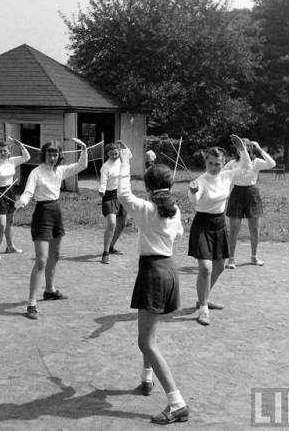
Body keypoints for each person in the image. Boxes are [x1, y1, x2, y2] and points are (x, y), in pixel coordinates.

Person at [117, 145, 189, 425]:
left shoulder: (147, 209)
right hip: (170, 270)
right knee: (149, 336)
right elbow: (179, 233)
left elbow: (123, 194)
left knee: (145, 341)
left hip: (154, 273)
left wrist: (125, 161)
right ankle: (147, 379)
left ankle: (177, 402)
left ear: (148, 187)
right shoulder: (175, 210)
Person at [15, 138, 87, 320]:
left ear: (59, 156)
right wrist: (22, 201)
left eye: (55, 154)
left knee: (55, 256)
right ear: (44, 155)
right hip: (42, 214)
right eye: (50, 154)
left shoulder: (60, 170)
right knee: (41, 260)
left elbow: (81, 165)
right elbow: (29, 191)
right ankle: (31, 302)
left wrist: (84, 149)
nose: (53, 157)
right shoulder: (36, 172)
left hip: (57, 212)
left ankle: (49, 290)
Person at [188, 135, 252, 326]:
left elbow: (246, 168)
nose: (214, 167)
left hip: (218, 224)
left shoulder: (227, 175)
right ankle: (203, 311)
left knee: (219, 266)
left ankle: (203, 299)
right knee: (205, 268)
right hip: (202, 225)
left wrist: (242, 149)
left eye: (218, 163)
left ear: (224, 163)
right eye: (210, 163)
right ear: (205, 162)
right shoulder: (199, 181)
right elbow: (196, 201)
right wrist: (192, 192)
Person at [223, 139, 276, 268]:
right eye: (238, 146)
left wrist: (259, 148)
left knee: (254, 229)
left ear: (249, 148)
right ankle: (231, 259)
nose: (241, 148)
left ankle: (254, 257)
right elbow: (220, 176)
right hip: (236, 194)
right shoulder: (232, 163)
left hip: (252, 194)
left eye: (244, 146)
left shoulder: (256, 162)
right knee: (234, 230)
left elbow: (272, 164)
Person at [98, 142, 127, 264]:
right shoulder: (105, 167)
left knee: (122, 224)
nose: (114, 155)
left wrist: (123, 145)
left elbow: (128, 153)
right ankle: (105, 253)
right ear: (107, 154)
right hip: (109, 197)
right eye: (111, 154)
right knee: (112, 223)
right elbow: (103, 182)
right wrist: (101, 190)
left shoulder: (123, 161)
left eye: (116, 153)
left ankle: (111, 247)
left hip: (122, 195)